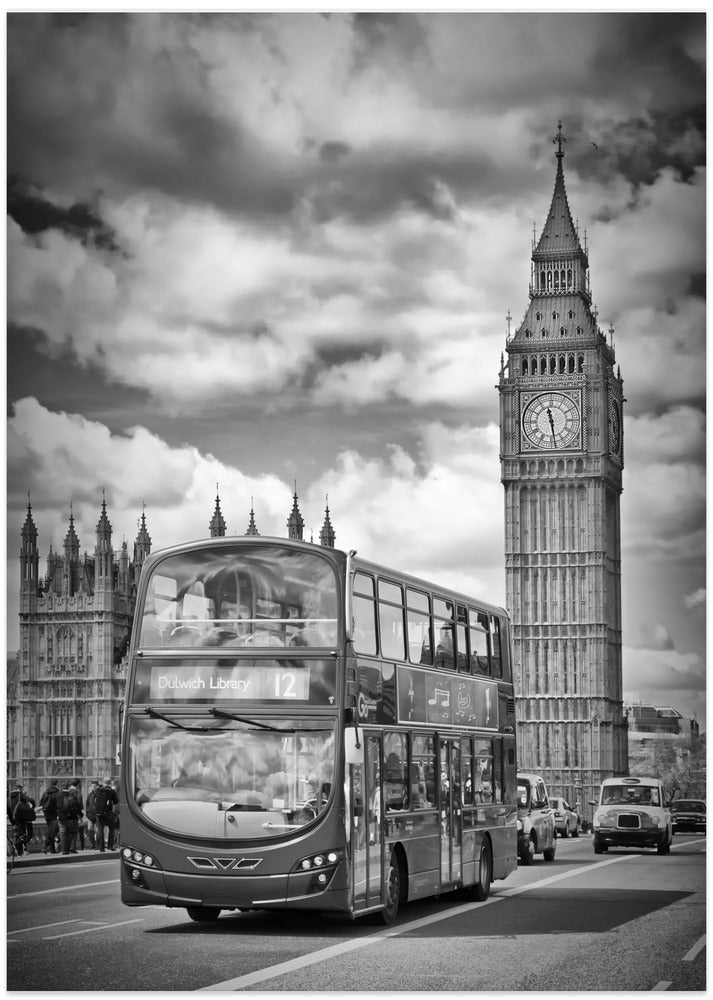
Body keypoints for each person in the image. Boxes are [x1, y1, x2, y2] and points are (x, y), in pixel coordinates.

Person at [7, 783, 36, 856]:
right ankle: (18, 844)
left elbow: (8, 810)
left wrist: (12, 821)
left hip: (14, 819)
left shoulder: (8, 798)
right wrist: (32, 807)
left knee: (19, 834)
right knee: (27, 834)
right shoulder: (20, 795)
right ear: (20, 789)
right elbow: (30, 800)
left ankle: (20, 852)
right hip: (22, 818)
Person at [57, 782, 82, 855]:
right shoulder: (72, 796)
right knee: (73, 832)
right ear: (69, 788)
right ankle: (68, 847)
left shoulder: (59, 796)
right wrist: (81, 815)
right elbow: (77, 807)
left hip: (61, 818)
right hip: (72, 818)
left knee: (63, 833)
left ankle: (64, 849)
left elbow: (56, 806)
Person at [94, 779, 119, 852]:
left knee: (100, 830)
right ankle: (110, 846)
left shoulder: (97, 790)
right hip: (108, 813)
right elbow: (116, 801)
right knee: (112, 828)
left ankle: (101, 848)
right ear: (110, 783)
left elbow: (94, 801)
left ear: (103, 782)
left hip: (98, 814)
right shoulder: (111, 791)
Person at [39, 779, 61, 854]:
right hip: (54, 814)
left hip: (47, 814)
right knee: (53, 832)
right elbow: (59, 805)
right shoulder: (58, 793)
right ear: (56, 784)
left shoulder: (45, 792)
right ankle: (45, 845)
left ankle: (52, 849)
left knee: (50, 830)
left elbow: (41, 803)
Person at [85, 781, 99, 849]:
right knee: (90, 830)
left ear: (97, 786)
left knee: (97, 830)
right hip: (90, 815)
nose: (93, 788)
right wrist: (87, 812)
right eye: (92, 786)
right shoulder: (90, 795)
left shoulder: (100, 794)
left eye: (94, 786)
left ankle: (98, 844)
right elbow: (87, 804)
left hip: (97, 815)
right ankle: (93, 844)